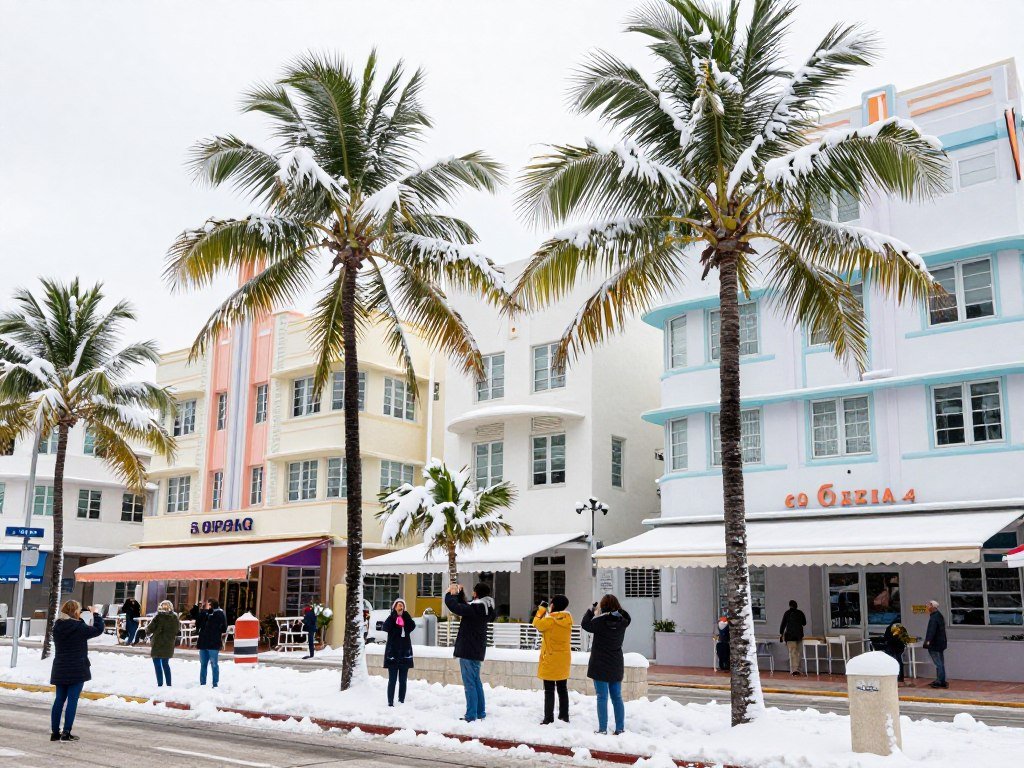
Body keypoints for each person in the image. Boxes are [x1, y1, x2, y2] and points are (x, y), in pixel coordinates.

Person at [50, 600, 105, 742]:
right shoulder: (79, 628)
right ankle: (66, 732)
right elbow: (98, 630)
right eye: (79, 610)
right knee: (72, 701)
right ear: (75, 612)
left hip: (60, 668)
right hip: (77, 669)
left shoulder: (57, 626)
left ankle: (55, 732)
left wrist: (78, 618)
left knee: (59, 700)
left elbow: (72, 624)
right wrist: (96, 614)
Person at [444, 582, 495, 723]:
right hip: (477, 650)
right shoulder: (484, 607)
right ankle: (480, 712)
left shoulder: (475, 608)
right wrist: (460, 594)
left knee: (470, 684)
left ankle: (471, 715)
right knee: (476, 682)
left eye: (473, 591)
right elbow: (465, 606)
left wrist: (450, 594)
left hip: (467, 650)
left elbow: (455, 607)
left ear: (476, 593)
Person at [581, 594, 631, 735]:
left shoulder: (599, 622)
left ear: (602, 606)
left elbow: (585, 624)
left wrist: (592, 610)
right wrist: (619, 611)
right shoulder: (622, 622)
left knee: (602, 697)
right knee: (617, 697)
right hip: (615, 663)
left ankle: (603, 729)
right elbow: (629, 618)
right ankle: (620, 728)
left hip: (600, 664)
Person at [533, 594, 572, 725]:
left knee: (549, 690)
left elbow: (536, 624)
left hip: (550, 658)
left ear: (553, 605)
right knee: (562, 688)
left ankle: (549, 718)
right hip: (564, 658)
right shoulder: (567, 618)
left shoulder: (549, 621)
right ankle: (564, 715)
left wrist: (541, 610)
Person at [382, 598, 416, 706]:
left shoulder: (406, 618)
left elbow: (412, 626)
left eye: (402, 605)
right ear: (394, 607)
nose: (400, 607)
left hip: (404, 654)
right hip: (393, 654)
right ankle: (390, 702)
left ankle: (401, 701)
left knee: (403, 680)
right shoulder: (391, 618)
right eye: (398, 605)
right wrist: (394, 616)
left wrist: (404, 615)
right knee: (392, 680)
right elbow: (385, 627)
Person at [190, 598, 228, 687]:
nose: (205, 606)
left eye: (207, 604)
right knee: (203, 664)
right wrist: (197, 608)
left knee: (214, 664)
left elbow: (223, 628)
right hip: (203, 642)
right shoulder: (204, 614)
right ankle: (202, 683)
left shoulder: (219, 614)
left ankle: (215, 684)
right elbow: (197, 621)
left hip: (213, 643)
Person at [146, 600, 180, 687]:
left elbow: (150, 628)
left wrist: (147, 631)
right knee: (165, 664)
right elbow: (177, 630)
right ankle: (169, 684)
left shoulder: (158, 617)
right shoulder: (174, 617)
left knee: (157, 664)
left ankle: (160, 684)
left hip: (157, 642)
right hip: (169, 643)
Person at [923, 600, 948, 688]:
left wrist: (927, 642)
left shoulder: (934, 618)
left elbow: (931, 631)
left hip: (935, 644)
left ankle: (940, 681)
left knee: (938, 663)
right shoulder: (939, 616)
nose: (927, 607)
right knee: (940, 662)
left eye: (929, 606)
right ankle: (941, 679)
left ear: (933, 607)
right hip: (941, 643)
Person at [779, 599, 806, 676]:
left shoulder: (787, 613)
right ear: (796, 605)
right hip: (799, 636)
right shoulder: (800, 613)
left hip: (790, 637)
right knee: (798, 653)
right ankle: (799, 669)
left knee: (792, 653)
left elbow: (783, 624)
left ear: (790, 605)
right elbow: (804, 623)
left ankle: (794, 670)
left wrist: (781, 634)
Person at [882, 618, 909, 683]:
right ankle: (901, 677)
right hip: (899, 647)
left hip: (891, 647)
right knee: (899, 661)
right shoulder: (901, 628)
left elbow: (886, 638)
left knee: (890, 662)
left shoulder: (889, 628)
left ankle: (891, 676)